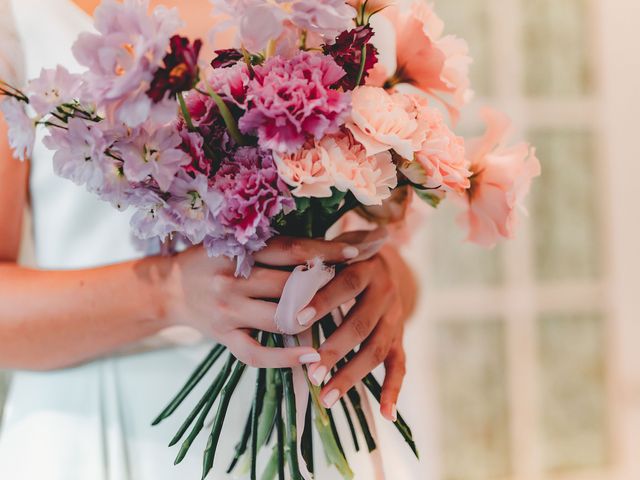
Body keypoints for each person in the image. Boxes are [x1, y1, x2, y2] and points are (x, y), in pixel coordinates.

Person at [0, 0, 421, 478]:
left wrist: (380, 277)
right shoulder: (16, 18)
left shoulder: (331, 13)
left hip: (313, 409)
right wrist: (168, 293)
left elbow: (391, 264)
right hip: (102, 430)